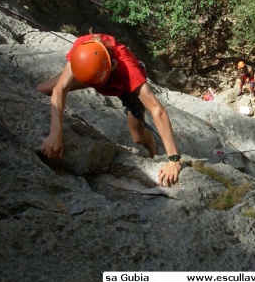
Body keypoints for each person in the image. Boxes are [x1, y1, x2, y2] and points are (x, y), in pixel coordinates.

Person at [37, 32, 181, 187]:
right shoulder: (84, 50)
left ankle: (153, 149)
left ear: (112, 66)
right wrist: (55, 132)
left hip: (125, 88)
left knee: (138, 137)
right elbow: (60, 89)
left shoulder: (129, 70)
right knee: (43, 90)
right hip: (94, 76)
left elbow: (158, 110)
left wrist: (174, 160)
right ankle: (91, 81)